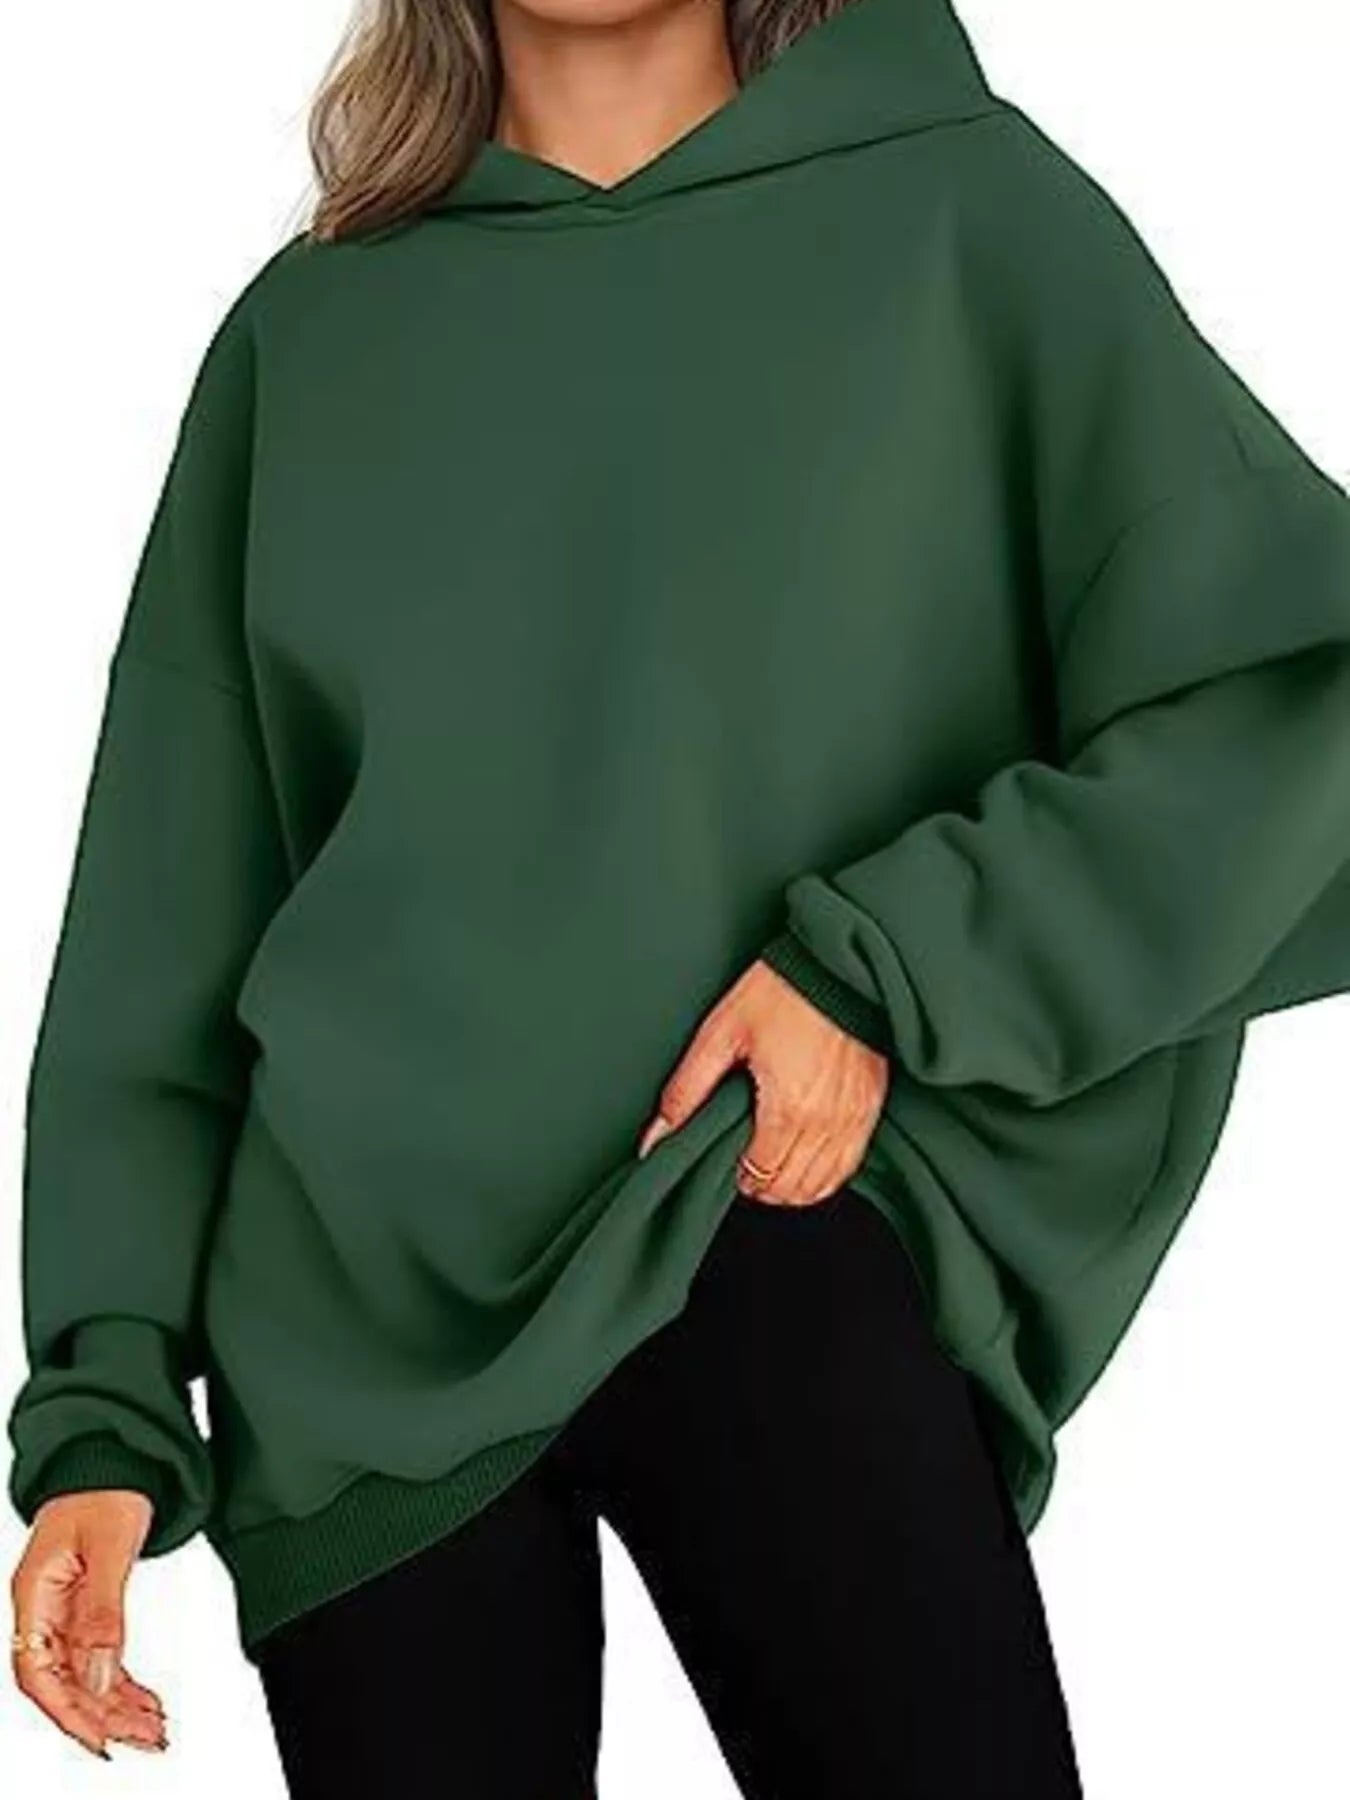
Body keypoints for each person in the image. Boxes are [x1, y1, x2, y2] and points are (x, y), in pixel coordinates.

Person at [7, 0, 1350, 1791]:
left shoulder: (962, 218)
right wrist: (102, 1407)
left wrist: (887, 970)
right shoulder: (310, 334)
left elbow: (1289, 696)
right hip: (348, 1320)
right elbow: (166, 910)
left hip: (768, 1211)